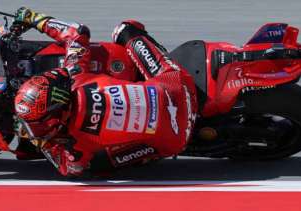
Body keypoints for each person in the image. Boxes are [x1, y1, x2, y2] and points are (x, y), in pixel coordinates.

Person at [13, 7, 197, 176]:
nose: (36, 130)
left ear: (59, 110)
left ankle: (154, 154)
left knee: (99, 164)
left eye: (39, 124)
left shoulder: (77, 141)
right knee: (125, 30)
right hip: (176, 86)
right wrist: (35, 19)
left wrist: (43, 143)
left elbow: (71, 168)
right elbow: (78, 32)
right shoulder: (77, 75)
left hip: (175, 140)